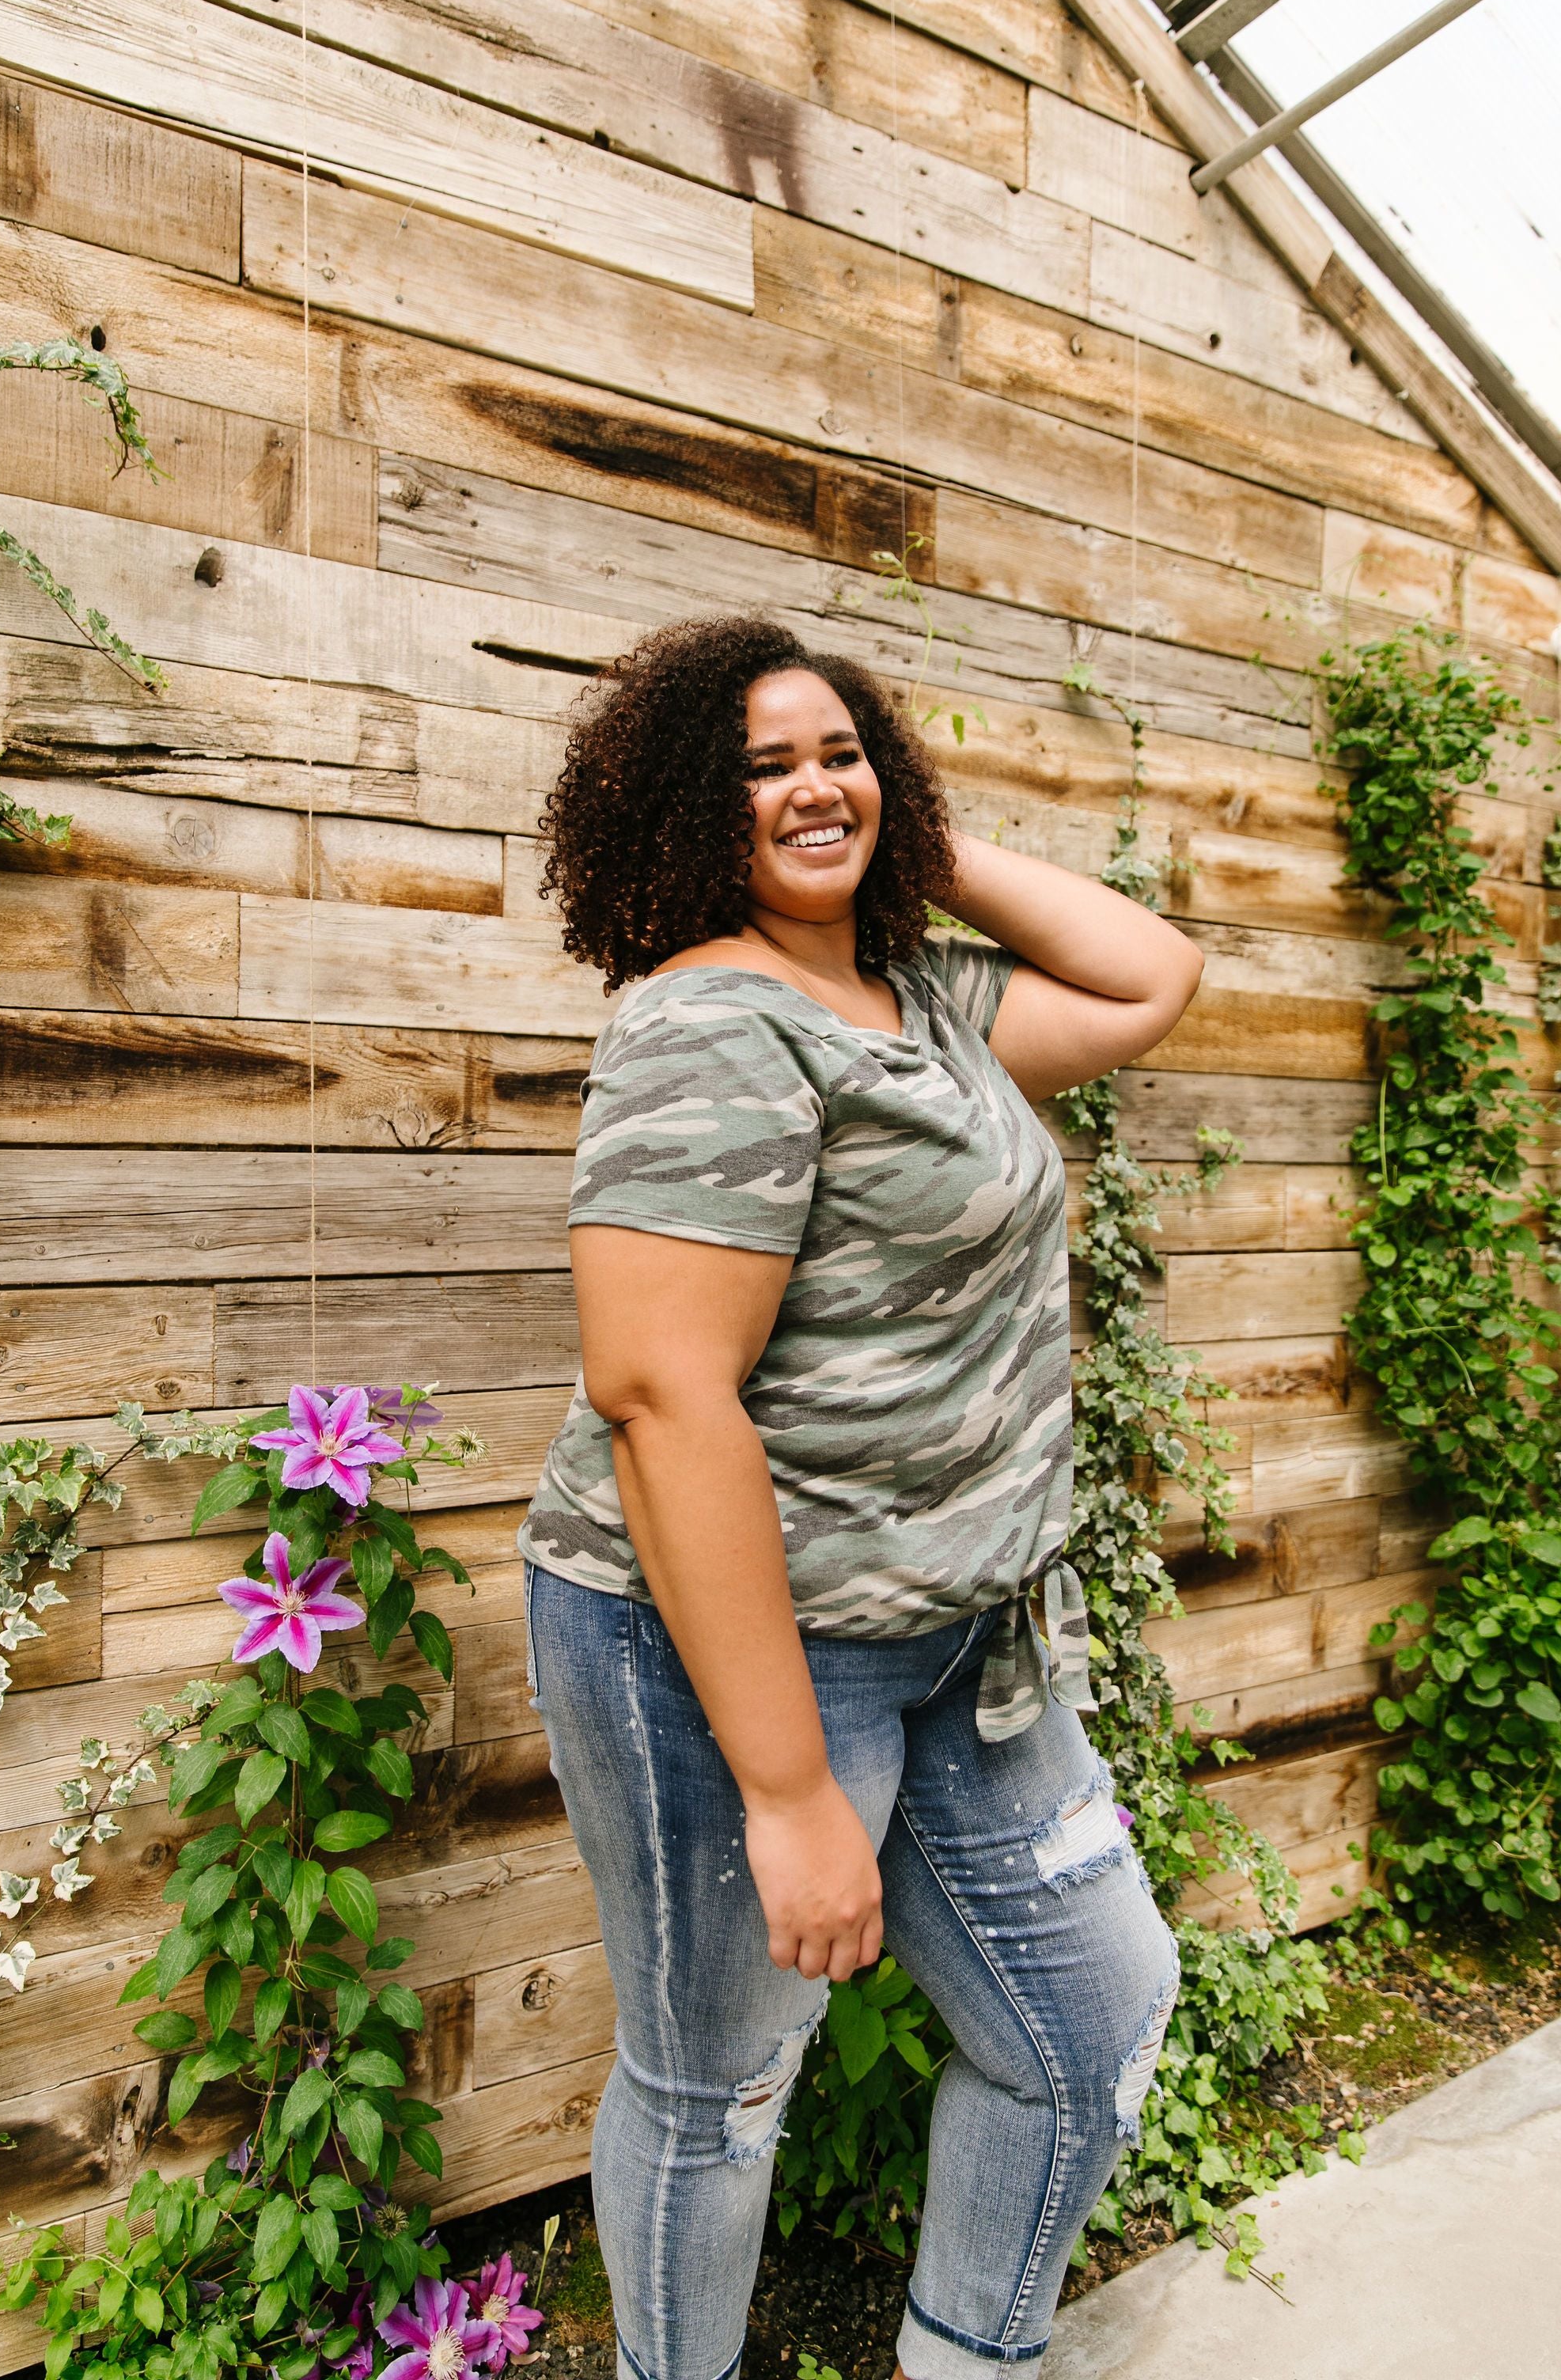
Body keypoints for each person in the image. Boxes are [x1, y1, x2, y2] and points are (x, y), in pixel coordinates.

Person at [517, 615, 1205, 2380]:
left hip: (957, 1638)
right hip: (728, 1653)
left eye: (841, 750)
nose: (812, 787)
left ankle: (965, 2358)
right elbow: (661, 1394)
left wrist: (905, 824)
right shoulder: (712, 1024)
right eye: (761, 768)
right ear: (684, 810)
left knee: (1092, 2020)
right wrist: (787, 1788)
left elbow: (1148, 979)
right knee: (715, 2093)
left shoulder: (919, 1006)